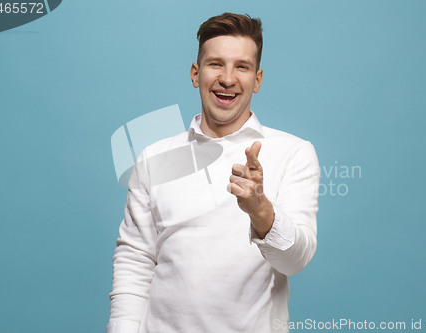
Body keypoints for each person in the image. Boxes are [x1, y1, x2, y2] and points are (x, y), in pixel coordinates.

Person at [106, 13, 320, 333]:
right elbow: (134, 262)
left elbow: (295, 260)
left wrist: (260, 210)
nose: (228, 78)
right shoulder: (155, 158)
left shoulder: (294, 153)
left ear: (257, 80)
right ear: (196, 74)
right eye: (216, 64)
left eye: (242, 67)